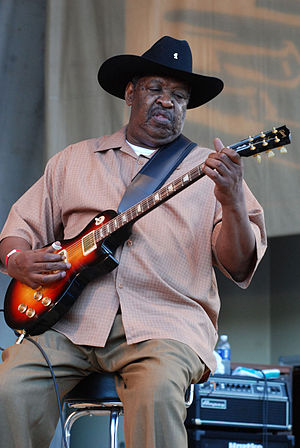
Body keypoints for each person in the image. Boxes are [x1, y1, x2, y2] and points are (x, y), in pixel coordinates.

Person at [0, 36, 267, 448]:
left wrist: (231, 199)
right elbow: (18, 229)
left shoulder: (210, 170)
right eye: (155, 89)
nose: (167, 101)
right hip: (70, 324)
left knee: (159, 392)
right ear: (130, 92)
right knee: (8, 389)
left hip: (165, 325)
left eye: (179, 96)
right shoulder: (74, 160)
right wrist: (17, 260)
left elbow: (239, 263)